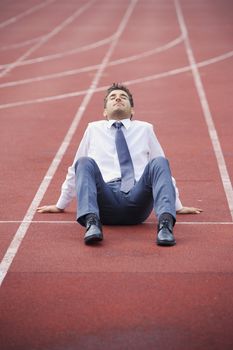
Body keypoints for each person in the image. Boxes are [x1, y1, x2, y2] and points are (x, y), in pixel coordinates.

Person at [37, 83, 202, 246]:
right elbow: (75, 170)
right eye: (112, 97)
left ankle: (165, 225)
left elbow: (163, 172)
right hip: (105, 202)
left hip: (138, 200)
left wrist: (176, 205)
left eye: (123, 97)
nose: (118, 99)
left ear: (132, 110)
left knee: (159, 161)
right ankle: (92, 223)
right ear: (104, 111)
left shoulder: (145, 129)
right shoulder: (93, 129)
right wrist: (61, 204)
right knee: (84, 162)